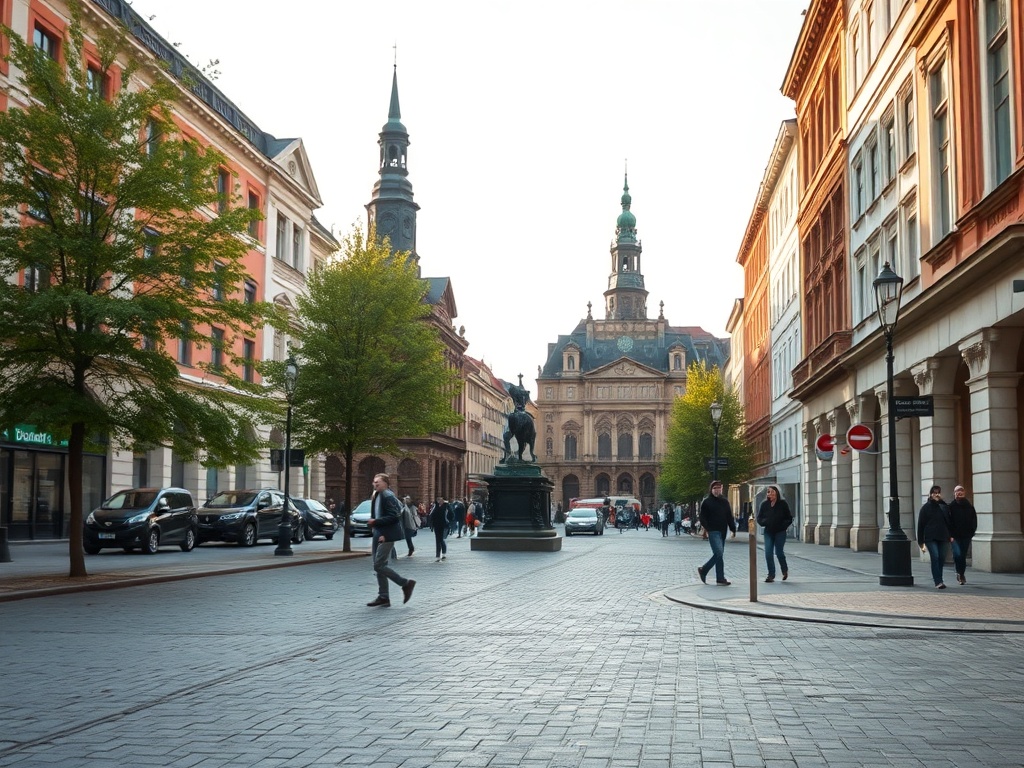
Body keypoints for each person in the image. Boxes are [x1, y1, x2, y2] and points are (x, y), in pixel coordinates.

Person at [365, 473, 415, 607]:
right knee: (379, 565)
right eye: (374, 481)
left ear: (386, 483)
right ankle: (384, 597)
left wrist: (377, 523)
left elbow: (394, 516)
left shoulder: (388, 496)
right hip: (379, 533)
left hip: (385, 535)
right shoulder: (377, 495)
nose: (375, 484)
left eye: (378, 482)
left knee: (379, 565)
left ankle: (406, 583)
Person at [697, 480, 736, 586]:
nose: (717, 490)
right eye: (714, 488)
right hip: (713, 531)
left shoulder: (725, 502)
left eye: (719, 488)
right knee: (719, 553)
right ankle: (704, 569)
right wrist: (707, 527)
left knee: (719, 554)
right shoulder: (707, 502)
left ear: (721, 489)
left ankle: (720, 578)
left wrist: (732, 528)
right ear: (711, 489)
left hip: (723, 530)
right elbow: (702, 517)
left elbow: (729, 516)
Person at [917, 484, 952, 589]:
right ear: (931, 494)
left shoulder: (944, 506)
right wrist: (921, 542)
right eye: (934, 493)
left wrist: (951, 535)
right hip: (930, 537)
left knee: (941, 558)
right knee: (935, 557)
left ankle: (940, 579)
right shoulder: (925, 508)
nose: (936, 495)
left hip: (943, 536)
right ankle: (938, 581)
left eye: (938, 493)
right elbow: (921, 525)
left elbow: (949, 522)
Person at [756, 485, 794, 583]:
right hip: (768, 531)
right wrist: (765, 522)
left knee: (779, 552)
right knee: (768, 553)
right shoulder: (764, 504)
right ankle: (771, 575)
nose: (771, 493)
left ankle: (784, 570)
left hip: (780, 532)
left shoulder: (783, 504)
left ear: (777, 493)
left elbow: (789, 518)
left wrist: (783, 526)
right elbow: (759, 518)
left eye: (773, 491)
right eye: (769, 492)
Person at [948, 485, 978, 586]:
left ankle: (961, 574)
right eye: (957, 491)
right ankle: (958, 571)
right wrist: (950, 535)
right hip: (954, 536)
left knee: (963, 555)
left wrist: (972, 532)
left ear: (964, 493)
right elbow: (948, 522)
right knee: (957, 554)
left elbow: (974, 520)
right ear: (954, 493)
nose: (959, 492)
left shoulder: (969, 506)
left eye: (961, 490)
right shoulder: (951, 507)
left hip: (966, 535)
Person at [429, 495, 451, 561]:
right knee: (438, 540)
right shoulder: (435, 506)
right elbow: (431, 515)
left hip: (444, 525)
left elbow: (451, 515)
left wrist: (448, 521)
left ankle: (443, 553)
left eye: (440, 499)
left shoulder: (446, 506)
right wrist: (431, 524)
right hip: (436, 525)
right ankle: (438, 556)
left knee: (441, 539)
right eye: (438, 499)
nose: (439, 501)